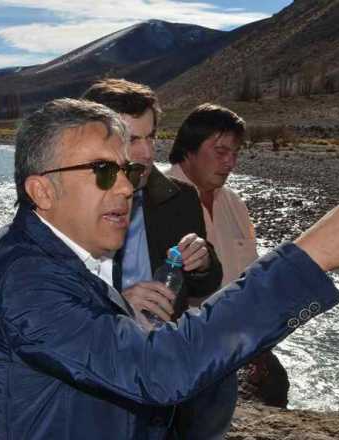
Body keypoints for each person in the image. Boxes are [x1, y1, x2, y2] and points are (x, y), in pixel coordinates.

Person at [0, 98, 339, 439]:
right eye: (102, 171)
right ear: (42, 191)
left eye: (128, 172)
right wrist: (308, 258)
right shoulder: (21, 278)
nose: (124, 188)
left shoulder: (56, 255)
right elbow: (157, 370)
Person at [83, 79, 234, 439]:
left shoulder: (180, 198)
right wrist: (119, 304)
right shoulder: (72, 207)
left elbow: (206, 283)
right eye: (131, 140)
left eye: (150, 137)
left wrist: (203, 263)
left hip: (167, 368)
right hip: (98, 374)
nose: (148, 153)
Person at [166, 103, 289, 407]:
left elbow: (252, 278)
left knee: (275, 384)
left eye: (235, 153)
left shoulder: (234, 204)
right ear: (188, 150)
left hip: (239, 346)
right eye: (220, 151)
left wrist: (260, 343)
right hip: (183, 353)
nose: (231, 162)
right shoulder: (157, 204)